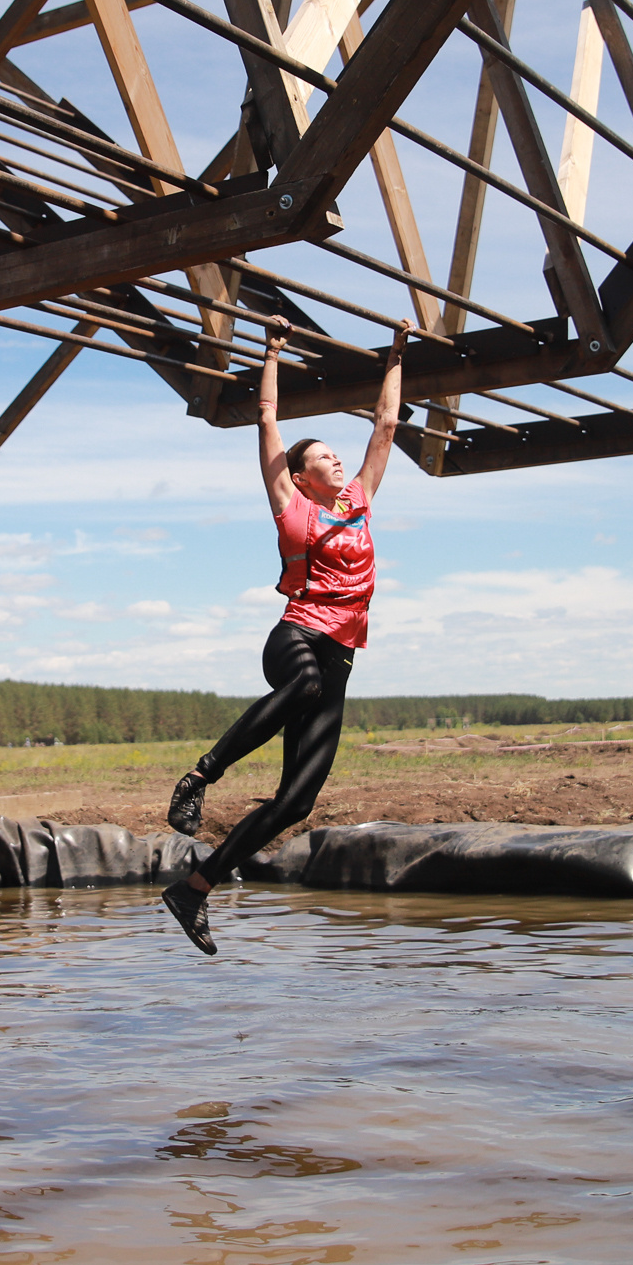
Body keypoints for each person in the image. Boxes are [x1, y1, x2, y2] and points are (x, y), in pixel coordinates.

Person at [160, 315, 408, 955]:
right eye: (322, 454)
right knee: (302, 682)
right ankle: (199, 777)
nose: (335, 457)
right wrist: (270, 350)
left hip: (342, 660)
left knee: (297, 802)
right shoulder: (289, 504)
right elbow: (267, 419)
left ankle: (195, 887)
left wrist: (397, 355)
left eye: (335, 453)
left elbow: (385, 426)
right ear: (299, 476)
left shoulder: (358, 500)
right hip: (295, 636)